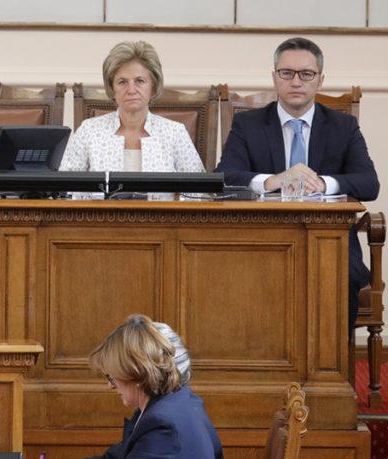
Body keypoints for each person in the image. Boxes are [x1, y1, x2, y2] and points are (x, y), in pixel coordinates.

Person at [216, 37, 379, 328]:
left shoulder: (343, 126)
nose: (296, 82)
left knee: (342, 274)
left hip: (330, 239)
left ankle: (333, 357)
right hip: (264, 236)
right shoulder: (249, 124)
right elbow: (224, 176)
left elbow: (369, 183)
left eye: (306, 74)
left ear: (320, 80)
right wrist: (272, 180)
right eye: (287, 73)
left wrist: (323, 183)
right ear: (274, 77)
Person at [87, 315, 222, 459]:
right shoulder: (180, 404)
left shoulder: (163, 428)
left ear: (137, 373)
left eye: (112, 376)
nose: (110, 385)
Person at [60, 41, 204, 173]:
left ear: (153, 87)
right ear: (112, 88)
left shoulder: (175, 133)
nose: (131, 90)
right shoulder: (89, 131)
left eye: (139, 81)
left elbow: (199, 188)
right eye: (122, 82)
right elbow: (65, 185)